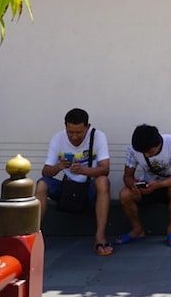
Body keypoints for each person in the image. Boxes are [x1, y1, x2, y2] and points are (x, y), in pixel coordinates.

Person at [35, 108, 112, 256]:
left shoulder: (98, 136)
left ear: (87, 127)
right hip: (67, 188)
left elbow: (105, 169)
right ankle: (34, 237)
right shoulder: (58, 138)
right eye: (70, 132)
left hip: (88, 189)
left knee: (103, 182)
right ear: (65, 126)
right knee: (42, 184)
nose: (74, 136)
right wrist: (59, 166)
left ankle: (100, 236)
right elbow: (45, 172)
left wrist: (84, 170)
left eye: (79, 132)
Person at [116, 124, 171, 248]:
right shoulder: (133, 149)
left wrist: (159, 185)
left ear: (159, 144)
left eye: (150, 152)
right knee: (125, 194)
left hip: (168, 184)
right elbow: (127, 176)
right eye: (143, 153)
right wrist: (134, 186)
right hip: (147, 186)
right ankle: (137, 229)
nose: (147, 155)